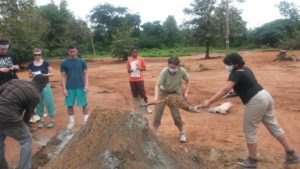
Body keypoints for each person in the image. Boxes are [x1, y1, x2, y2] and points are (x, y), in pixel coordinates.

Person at [202, 52, 300, 168]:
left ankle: (252, 161)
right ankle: (292, 154)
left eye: (228, 64)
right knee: (274, 126)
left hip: (256, 101)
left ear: (236, 63)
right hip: (265, 96)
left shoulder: (235, 73)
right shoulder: (245, 69)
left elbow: (225, 89)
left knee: (249, 131)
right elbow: (248, 85)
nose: (226, 66)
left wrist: (209, 101)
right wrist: (234, 94)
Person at [0, 75, 48, 169]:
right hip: (10, 118)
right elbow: (27, 115)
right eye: (44, 86)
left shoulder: (14, 81)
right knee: (26, 140)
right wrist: (25, 128)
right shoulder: (35, 95)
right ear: (42, 85)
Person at [152, 56, 191, 143]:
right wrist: (156, 97)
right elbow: (157, 85)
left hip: (174, 93)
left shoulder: (182, 71)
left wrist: (186, 92)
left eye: (173, 67)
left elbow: (188, 81)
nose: (171, 69)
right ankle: (153, 135)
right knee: (157, 113)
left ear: (178, 66)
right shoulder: (164, 72)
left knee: (176, 114)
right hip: (163, 92)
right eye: (170, 67)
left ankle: (182, 133)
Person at [60, 46, 89, 130]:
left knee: (84, 104)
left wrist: (86, 85)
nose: (72, 53)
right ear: (68, 52)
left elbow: (86, 74)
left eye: (74, 51)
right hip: (69, 87)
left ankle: (86, 120)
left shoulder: (82, 61)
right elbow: (62, 76)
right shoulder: (64, 62)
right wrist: (64, 88)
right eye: (70, 52)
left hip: (81, 86)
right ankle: (72, 122)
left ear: (77, 51)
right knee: (69, 105)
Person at [28, 48, 56, 128]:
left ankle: (51, 120)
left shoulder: (45, 63)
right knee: (38, 103)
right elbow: (29, 75)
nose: (37, 56)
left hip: (45, 85)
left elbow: (52, 73)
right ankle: (42, 120)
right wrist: (32, 75)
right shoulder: (31, 65)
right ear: (33, 55)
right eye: (35, 55)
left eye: (39, 54)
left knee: (49, 101)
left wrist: (45, 75)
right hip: (36, 86)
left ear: (41, 54)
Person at [127, 47, 151, 113]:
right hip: (132, 80)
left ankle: (146, 108)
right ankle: (137, 109)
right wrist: (130, 70)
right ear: (131, 53)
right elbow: (128, 70)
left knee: (143, 94)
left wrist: (139, 68)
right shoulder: (129, 60)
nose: (135, 53)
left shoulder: (141, 59)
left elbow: (144, 68)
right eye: (133, 52)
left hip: (140, 79)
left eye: (136, 52)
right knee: (135, 95)